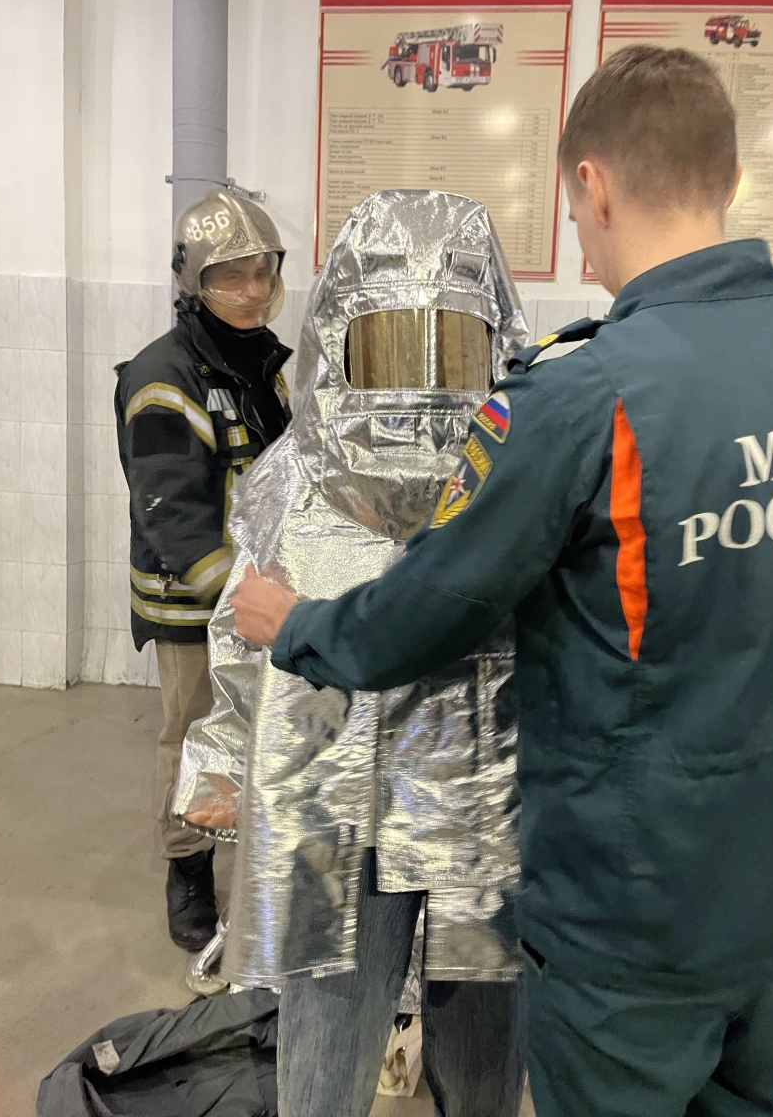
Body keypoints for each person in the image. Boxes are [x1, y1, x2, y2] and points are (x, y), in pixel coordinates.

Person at [229, 47, 773, 1117]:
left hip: (634, 906)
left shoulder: (587, 401)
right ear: (729, 176)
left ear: (593, 183)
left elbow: (427, 613)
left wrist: (295, 623)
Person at [171, 190, 530, 1117]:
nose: (419, 374)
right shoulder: (295, 477)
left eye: (449, 342)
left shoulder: (522, 472)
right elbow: (242, 631)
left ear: (492, 337)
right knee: (328, 1040)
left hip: (483, 802)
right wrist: (218, 758)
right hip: (335, 803)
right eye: (389, 341)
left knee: (485, 1044)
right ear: (339, 337)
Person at [114, 189, 292, 952]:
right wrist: (240, 597)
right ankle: (186, 870)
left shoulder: (262, 362)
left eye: (262, 272)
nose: (251, 291)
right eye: (230, 276)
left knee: (255, 734)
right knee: (192, 735)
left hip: (258, 595)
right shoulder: (164, 375)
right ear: (194, 281)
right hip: (193, 603)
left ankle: (249, 854)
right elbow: (170, 510)